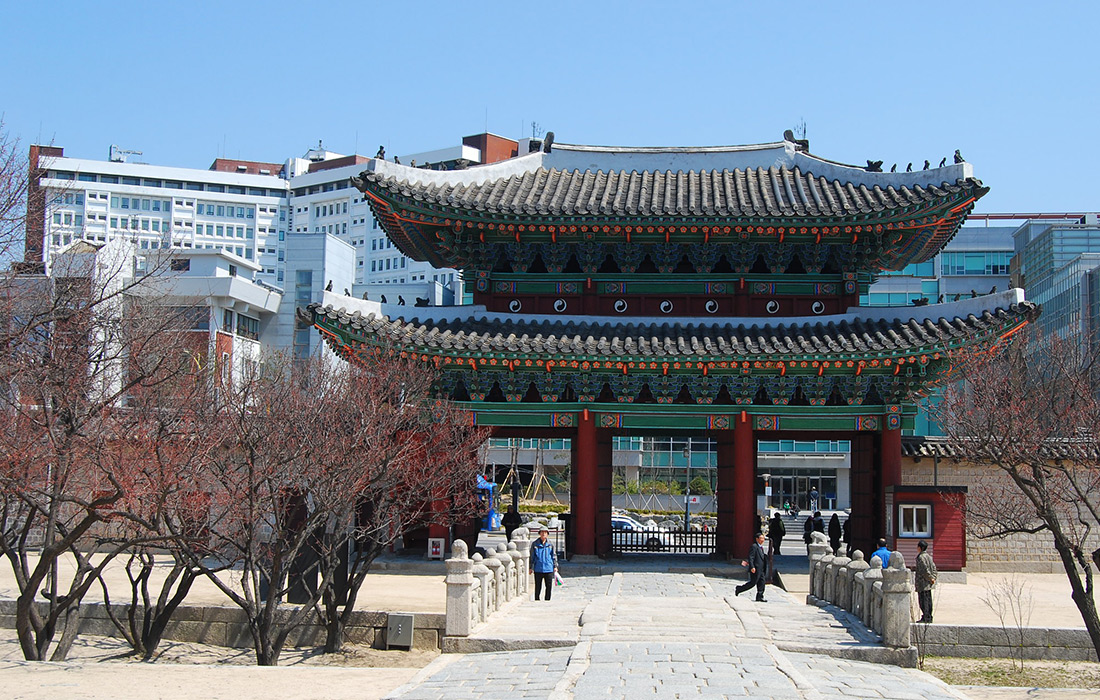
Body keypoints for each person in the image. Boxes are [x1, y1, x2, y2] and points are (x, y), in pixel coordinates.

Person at [735, 533, 768, 601]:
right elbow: (751, 557)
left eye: (763, 538)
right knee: (753, 583)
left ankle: (760, 596)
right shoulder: (754, 546)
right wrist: (752, 567)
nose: (763, 540)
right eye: (761, 538)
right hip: (756, 568)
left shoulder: (760, 547)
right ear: (757, 539)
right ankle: (739, 589)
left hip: (761, 569)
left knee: (762, 583)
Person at [529, 526, 558, 601]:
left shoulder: (550, 544)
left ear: (547, 534)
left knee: (548, 586)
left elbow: (554, 555)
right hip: (538, 568)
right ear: (539, 533)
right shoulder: (535, 544)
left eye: (545, 532)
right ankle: (537, 599)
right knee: (538, 586)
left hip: (548, 568)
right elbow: (532, 556)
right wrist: (531, 567)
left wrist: (555, 566)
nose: (543, 534)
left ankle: (547, 599)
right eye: (542, 532)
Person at [915, 540, 938, 623]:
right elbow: (934, 568)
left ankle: (926, 617)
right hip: (928, 583)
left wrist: (930, 578)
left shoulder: (921, 557)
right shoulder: (929, 556)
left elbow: (924, 570)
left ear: (920, 548)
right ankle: (928, 616)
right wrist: (933, 578)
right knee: (928, 600)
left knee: (923, 601)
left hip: (922, 583)